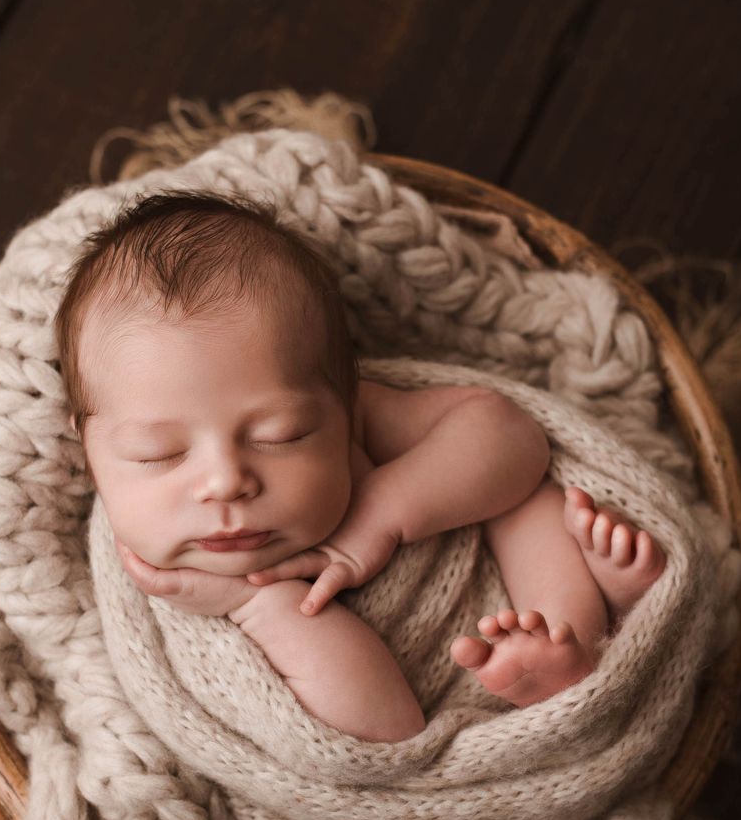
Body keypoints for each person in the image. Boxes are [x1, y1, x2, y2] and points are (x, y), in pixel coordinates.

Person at [54, 190, 666, 742]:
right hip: (438, 724)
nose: (225, 481)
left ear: (340, 403)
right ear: (92, 453)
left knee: (524, 499)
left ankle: (588, 632)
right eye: (158, 455)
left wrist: (386, 513)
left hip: (508, 605)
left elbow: (512, 438)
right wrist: (255, 606)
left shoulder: (359, 423)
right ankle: (579, 665)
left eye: (279, 435)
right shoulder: (165, 602)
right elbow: (384, 732)